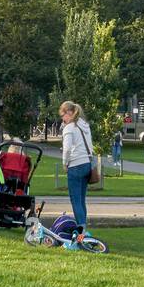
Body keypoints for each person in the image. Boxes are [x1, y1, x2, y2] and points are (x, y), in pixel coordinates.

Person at [59, 101, 95, 244]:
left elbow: (67, 149)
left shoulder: (69, 128)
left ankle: (81, 232)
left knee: (75, 200)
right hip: (87, 164)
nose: (63, 119)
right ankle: (84, 228)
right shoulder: (84, 124)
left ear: (68, 113)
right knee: (81, 199)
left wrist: (65, 163)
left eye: (63, 116)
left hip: (75, 165)